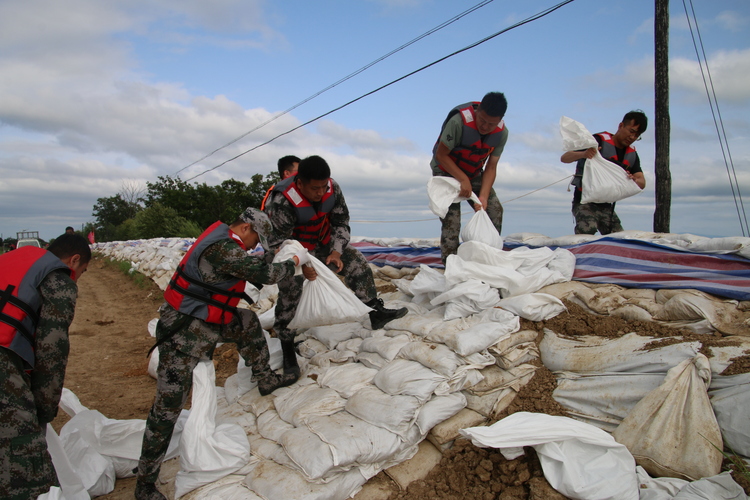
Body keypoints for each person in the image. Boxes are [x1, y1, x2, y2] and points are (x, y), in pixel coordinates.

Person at [135, 208, 308, 500]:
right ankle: (145, 484)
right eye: (255, 239)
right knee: (167, 409)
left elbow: (249, 266)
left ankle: (264, 376)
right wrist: (295, 261)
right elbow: (265, 275)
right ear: (245, 227)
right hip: (182, 332)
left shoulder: (226, 243)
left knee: (247, 322)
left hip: (206, 320)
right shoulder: (223, 249)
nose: (254, 246)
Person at [264, 155, 408, 377]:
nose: (321, 193)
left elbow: (341, 222)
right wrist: (302, 266)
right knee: (291, 286)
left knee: (358, 263)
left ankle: (375, 311)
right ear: (299, 183)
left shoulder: (332, 188)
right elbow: (278, 246)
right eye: (314, 188)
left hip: (322, 244)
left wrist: (336, 252)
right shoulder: (282, 200)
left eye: (323, 186)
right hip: (292, 252)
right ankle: (286, 342)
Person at [0, 233, 91, 499]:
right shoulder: (58, 279)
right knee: (25, 462)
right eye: (81, 272)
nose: (78, 277)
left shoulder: (11, 260)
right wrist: (42, 409)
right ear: (74, 260)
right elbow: (52, 352)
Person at [430, 92, 509, 263]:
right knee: (452, 220)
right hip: (446, 171)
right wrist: (463, 180)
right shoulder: (458, 122)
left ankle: (487, 258)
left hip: (473, 173)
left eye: (491, 124)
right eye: (482, 121)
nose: (485, 127)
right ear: (477, 111)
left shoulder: (502, 134)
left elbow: (491, 167)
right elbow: (441, 155)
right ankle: (450, 264)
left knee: (494, 210)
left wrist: (483, 197)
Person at [560, 110, 647, 235]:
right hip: (584, 201)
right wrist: (584, 154)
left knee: (618, 236)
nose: (632, 137)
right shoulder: (598, 141)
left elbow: (642, 182)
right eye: (631, 131)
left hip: (606, 205)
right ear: (621, 126)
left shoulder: (632, 154)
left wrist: (634, 179)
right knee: (587, 230)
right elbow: (565, 158)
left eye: (637, 135)